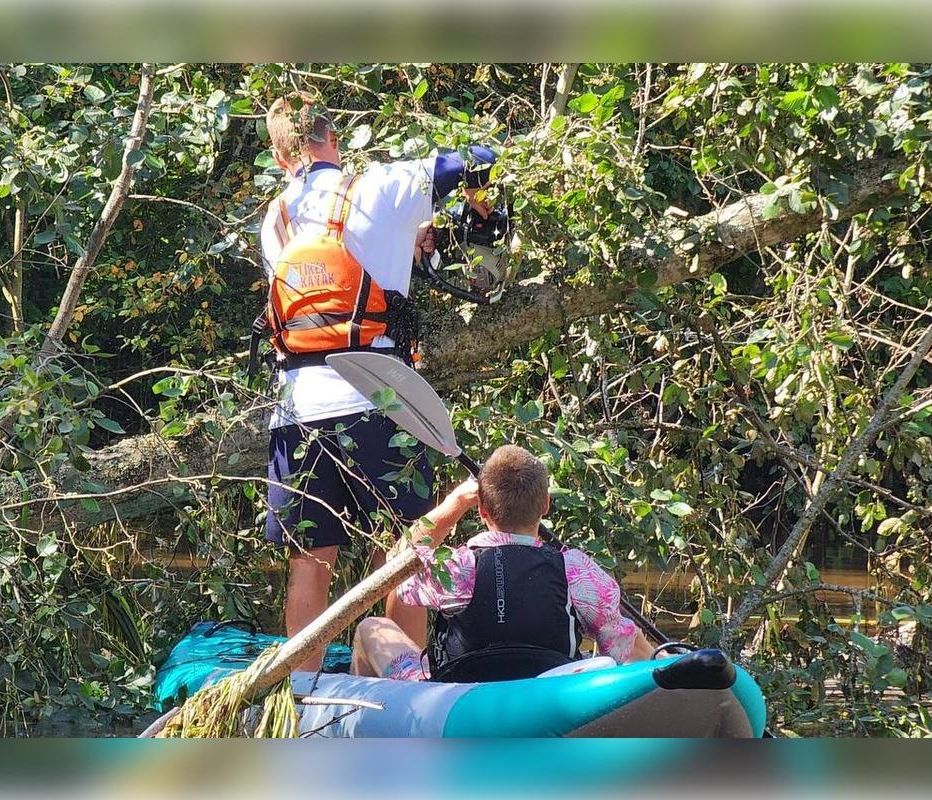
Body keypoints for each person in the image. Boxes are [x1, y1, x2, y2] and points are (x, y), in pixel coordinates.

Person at [257, 91, 497, 671]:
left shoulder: (275, 217)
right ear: (333, 138)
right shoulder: (381, 186)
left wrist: (406, 242)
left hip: (297, 408)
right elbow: (479, 156)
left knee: (309, 563)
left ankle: (305, 697)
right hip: (384, 399)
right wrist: (477, 210)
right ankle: (398, 687)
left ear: (279, 152)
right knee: (406, 553)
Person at [352, 445, 659, 682]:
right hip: (551, 693)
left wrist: (453, 505)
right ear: (545, 505)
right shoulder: (575, 570)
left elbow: (395, 566)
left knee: (372, 627)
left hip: (456, 697)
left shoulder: (459, 568)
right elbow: (622, 647)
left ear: (482, 509)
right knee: (633, 640)